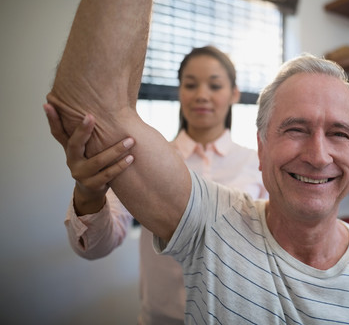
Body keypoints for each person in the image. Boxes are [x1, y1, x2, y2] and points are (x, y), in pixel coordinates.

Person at [46, 0, 349, 323]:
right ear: (263, 146)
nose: (317, 156)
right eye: (295, 129)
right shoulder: (213, 214)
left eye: (339, 133)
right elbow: (91, 109)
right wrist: (90, 190)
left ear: (233, 95)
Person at [44, 45, 267, 324]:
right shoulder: (146, 159)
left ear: (234, 94)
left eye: (215, 85)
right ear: (179, 91)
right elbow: (93, 246)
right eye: (190, 84)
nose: (201, 95)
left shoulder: (258, 163)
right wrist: (89, 192)